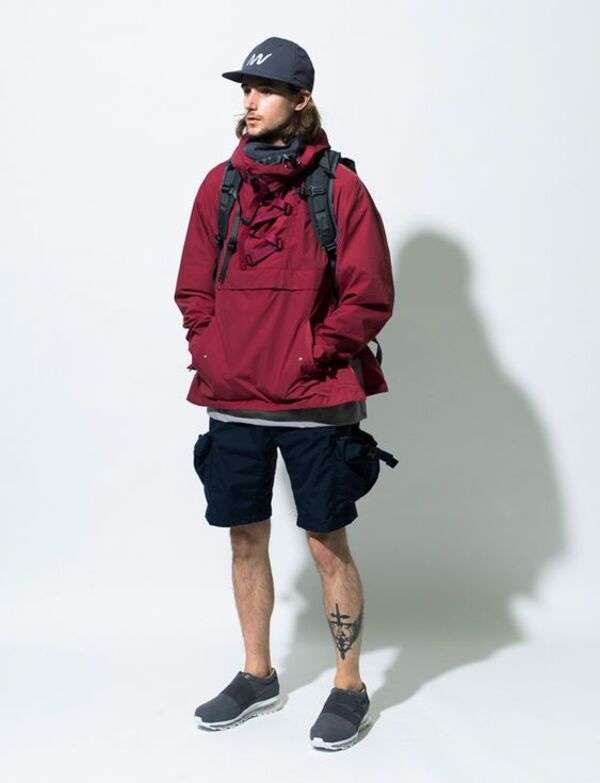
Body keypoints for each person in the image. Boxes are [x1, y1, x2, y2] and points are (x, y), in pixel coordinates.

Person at [174, 36, 396, 751]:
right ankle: (257, 674)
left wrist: (311, 353)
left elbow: (369, 294)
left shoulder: (340, 188)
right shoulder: (220, 185)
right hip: (233, 396)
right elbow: (193, 287)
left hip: (315, 401)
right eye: (245, 88)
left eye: (264, 89)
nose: (249, 101)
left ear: (301, 99)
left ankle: (349, 685)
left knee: (326, 542)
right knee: (245, 538)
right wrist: (212, 351)